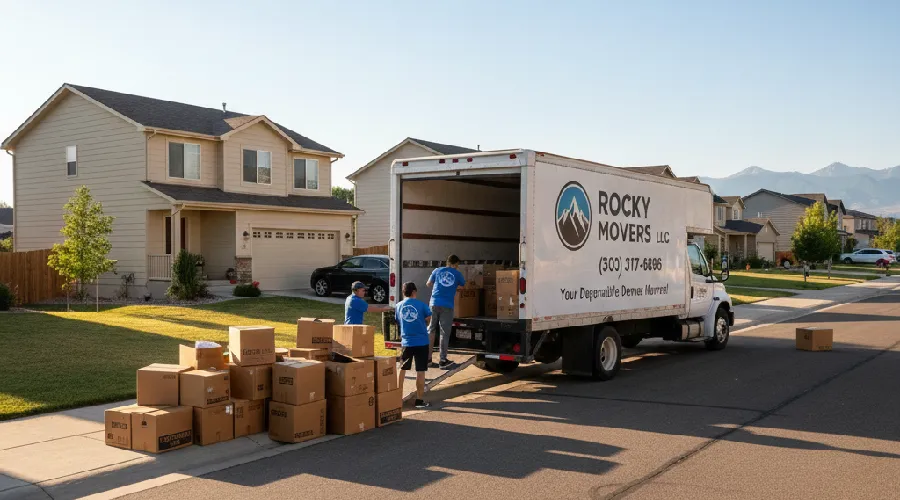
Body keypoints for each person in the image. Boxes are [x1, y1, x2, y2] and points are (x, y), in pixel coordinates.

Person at [396, 281, 432, 409]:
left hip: (406, 342)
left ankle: (396, 398)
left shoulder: (398, 306)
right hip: (421, 342)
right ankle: (419, 401)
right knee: (420, 371)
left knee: (402, 370)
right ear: (414, 292)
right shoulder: (422, 305)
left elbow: (399, 320)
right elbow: (429, 319)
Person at [426, 254, 466, 369]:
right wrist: (453, 287)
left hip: (433, 303)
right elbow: (463, 286)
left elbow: (428, 284)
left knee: (431, 330)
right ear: (454, 264)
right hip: (447, 305)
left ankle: (428, 359)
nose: (457, 267)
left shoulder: (437, 270)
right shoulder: (457, 274)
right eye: (457, 265)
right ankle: (442, 360)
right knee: (444, 332)